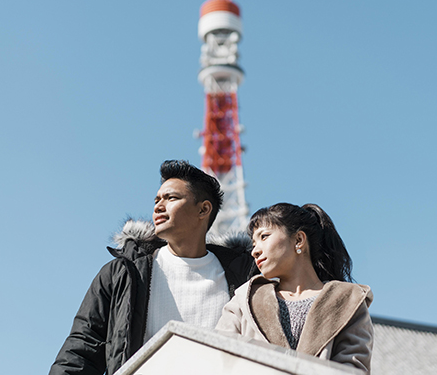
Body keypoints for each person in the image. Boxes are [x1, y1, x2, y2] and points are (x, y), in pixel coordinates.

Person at [49, 160, 255, 375]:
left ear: (203, 209)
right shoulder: (124, 273)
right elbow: (81, 350)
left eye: (171, 198)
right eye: (157, 199)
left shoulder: (246, 279)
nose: (158, 206)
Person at [216, 203, 374, 372]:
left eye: (264, 236)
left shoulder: (347, 301)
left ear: (299, 240)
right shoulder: (244, 300)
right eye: (253, 244)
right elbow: (218, 359)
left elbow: (354, 368)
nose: (255, 251)